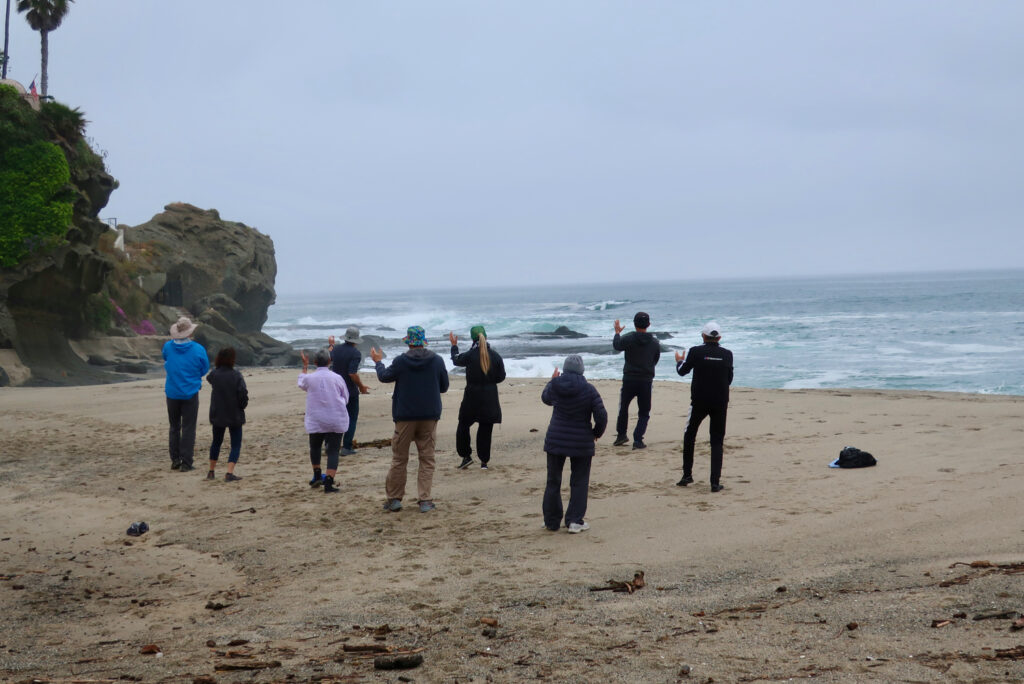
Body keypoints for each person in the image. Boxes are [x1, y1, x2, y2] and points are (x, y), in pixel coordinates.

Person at [371, 326, 449, 513]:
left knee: (399, 459)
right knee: (427, 459)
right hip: (429, 415)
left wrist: (378, 362)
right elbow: (444, 387)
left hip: (405, 416)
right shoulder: (437, 360)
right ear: (423, 341)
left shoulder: (401, 361)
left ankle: (395, 499)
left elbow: (384, 377)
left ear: (409, 342)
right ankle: (425, 500)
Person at [541, 354, 608, 533]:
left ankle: (551, 521)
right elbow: (601, 415)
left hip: (556, 438)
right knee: (579, 481)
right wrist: (596, 433)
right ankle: (574, 520)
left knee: (553, 481)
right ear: (582, 370)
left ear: (564, 369)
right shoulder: (589, 389)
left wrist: (551, 381)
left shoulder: (555, 385)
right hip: (581, 440)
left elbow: (545, 398)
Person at [675, 321, 734, 492]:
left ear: (703, 336)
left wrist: (679, 361)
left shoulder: (696, 351)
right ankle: (715, 483)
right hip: (720, 402)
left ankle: (687, 475)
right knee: (717, 442)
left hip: (699, 401)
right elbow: (729, 379)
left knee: (689, 435)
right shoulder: (727, 354)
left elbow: (682, 371)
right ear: (719, 337)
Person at [449, 325, 506, 470]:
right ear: (485, 337)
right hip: (490, 398)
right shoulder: (495, 356)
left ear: (472, 338)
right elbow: (501, 377)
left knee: (463, 426)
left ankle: (466, 456)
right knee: (485, 430)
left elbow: (456, 360)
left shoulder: (470, 355)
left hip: (472, 397)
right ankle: (484, 462)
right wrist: (489, 381)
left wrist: (454, 346)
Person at [298, 348, 350, 494]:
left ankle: (316, 474)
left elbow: (301, 382)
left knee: (315, 447)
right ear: (330, 361)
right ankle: (328, 481)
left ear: (315, 362)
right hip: (335, 417)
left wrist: (304, 365)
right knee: (333, 450)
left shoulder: (310, 378)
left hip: (316, 418)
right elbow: (345, 397)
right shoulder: (337, 378)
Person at [163, 316, 209, 472]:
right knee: (188, 428)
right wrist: (193, 376)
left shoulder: (168, 347)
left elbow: (166, 359)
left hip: (172, 392)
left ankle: (175, 459)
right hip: (190, 392)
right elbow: (204, 369)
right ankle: (186, 463)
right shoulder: (198, 349)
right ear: (190, 333)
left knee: (174, 427)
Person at [611, 311, 661, 449]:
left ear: (634, 324)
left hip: (629, 379)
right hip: (645, 380)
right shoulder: (655, 342)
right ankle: (638, 439)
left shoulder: (629, 338)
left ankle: (621, 435)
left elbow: (617, 346)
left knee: (624, 408)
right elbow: (655, 360)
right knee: (644, 412)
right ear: (649, 324)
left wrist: (617, 333)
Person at [205, 347, 248, 482]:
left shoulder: (214, 374)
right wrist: (243, 405)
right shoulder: (236, 375)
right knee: (235, 444)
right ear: (232, 360)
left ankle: (211, 471)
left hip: (218, 413)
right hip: (234, 413)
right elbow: (243, 394)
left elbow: (209, 378)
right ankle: (229, 473)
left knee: (216, 442)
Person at [329, 326, 370, 455]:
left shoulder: (336, 349)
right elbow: (352, 374)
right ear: (356, 340)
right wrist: (361, 387)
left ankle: (329, 445)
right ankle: (346, 447)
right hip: (350, 391)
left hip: (335, 389)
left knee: (335, 417)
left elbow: (328, 360)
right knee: (351, 418)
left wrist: (331, 346)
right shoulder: (355, 353)